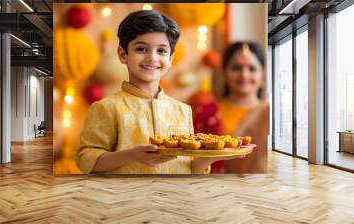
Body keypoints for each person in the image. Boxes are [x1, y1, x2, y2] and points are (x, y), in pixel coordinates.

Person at [75, 10, 244, 175]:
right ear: (123, 54)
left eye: (161, 51)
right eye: (141, 49)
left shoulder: (183, 111)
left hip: (176, 199)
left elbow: (188, 169)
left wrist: (206, 159)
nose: (152, 58)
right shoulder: (106, 108)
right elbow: (86, 160)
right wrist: (131, 156)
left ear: (170, 58)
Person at [211, 42, 269, 173]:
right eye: (236, 68)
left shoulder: (269, 112)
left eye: (252, 69)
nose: (244, 75)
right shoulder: (209, 112)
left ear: (262, 74)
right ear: (225, 72)